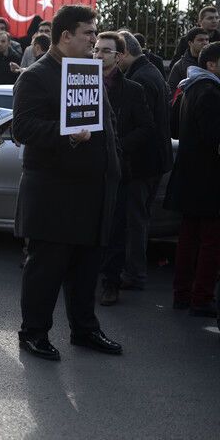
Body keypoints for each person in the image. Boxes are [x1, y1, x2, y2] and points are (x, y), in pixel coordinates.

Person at [13, 4, 123, 361]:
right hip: (54, 191)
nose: (95, 40)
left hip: (93, 189)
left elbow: (105, 126)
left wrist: (113, 166)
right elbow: (23, 128)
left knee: (86, 267)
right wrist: (69, 135)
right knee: (46, 269)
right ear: (65, 36)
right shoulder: (35, 76)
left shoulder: (89, 72)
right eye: (89, 33)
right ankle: (34, 333)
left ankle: (85, 329)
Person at [93, 32, 155, 306]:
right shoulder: (81, 85)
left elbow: (146, 128)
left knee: (115, 230)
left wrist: (116, 145)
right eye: (95, 50)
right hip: (87, 171)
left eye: (105, 51)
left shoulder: (133, 89)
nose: (98, 55)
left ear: (118, 57)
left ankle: (110, 283)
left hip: (118, 170)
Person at [113, 31, 173, 296]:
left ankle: (134, 273)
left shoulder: (140, 79)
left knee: (134, 220)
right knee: (139, 218)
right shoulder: (150, 71)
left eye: (115, 54)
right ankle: (134, 271)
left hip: (142, 163)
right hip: (153, 161)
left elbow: (142, 127)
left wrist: (118, 147)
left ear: (124, 53)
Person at [164, 41, 220, 317]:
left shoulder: (189, 88)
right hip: (208, 181)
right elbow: (214, 138)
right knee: (209, 242)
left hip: (190, 178)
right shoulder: (210, 92)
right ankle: (201, 298)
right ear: (212, 64)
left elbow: (174, 128)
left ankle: (182, 294)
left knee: (188, 239)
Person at [168, 27, 209, 93]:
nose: (205, 43)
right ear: (190, 43)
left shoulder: (213, 62)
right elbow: (171, 91)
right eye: (200, 40)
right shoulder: (180, 66)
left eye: (207, 40)